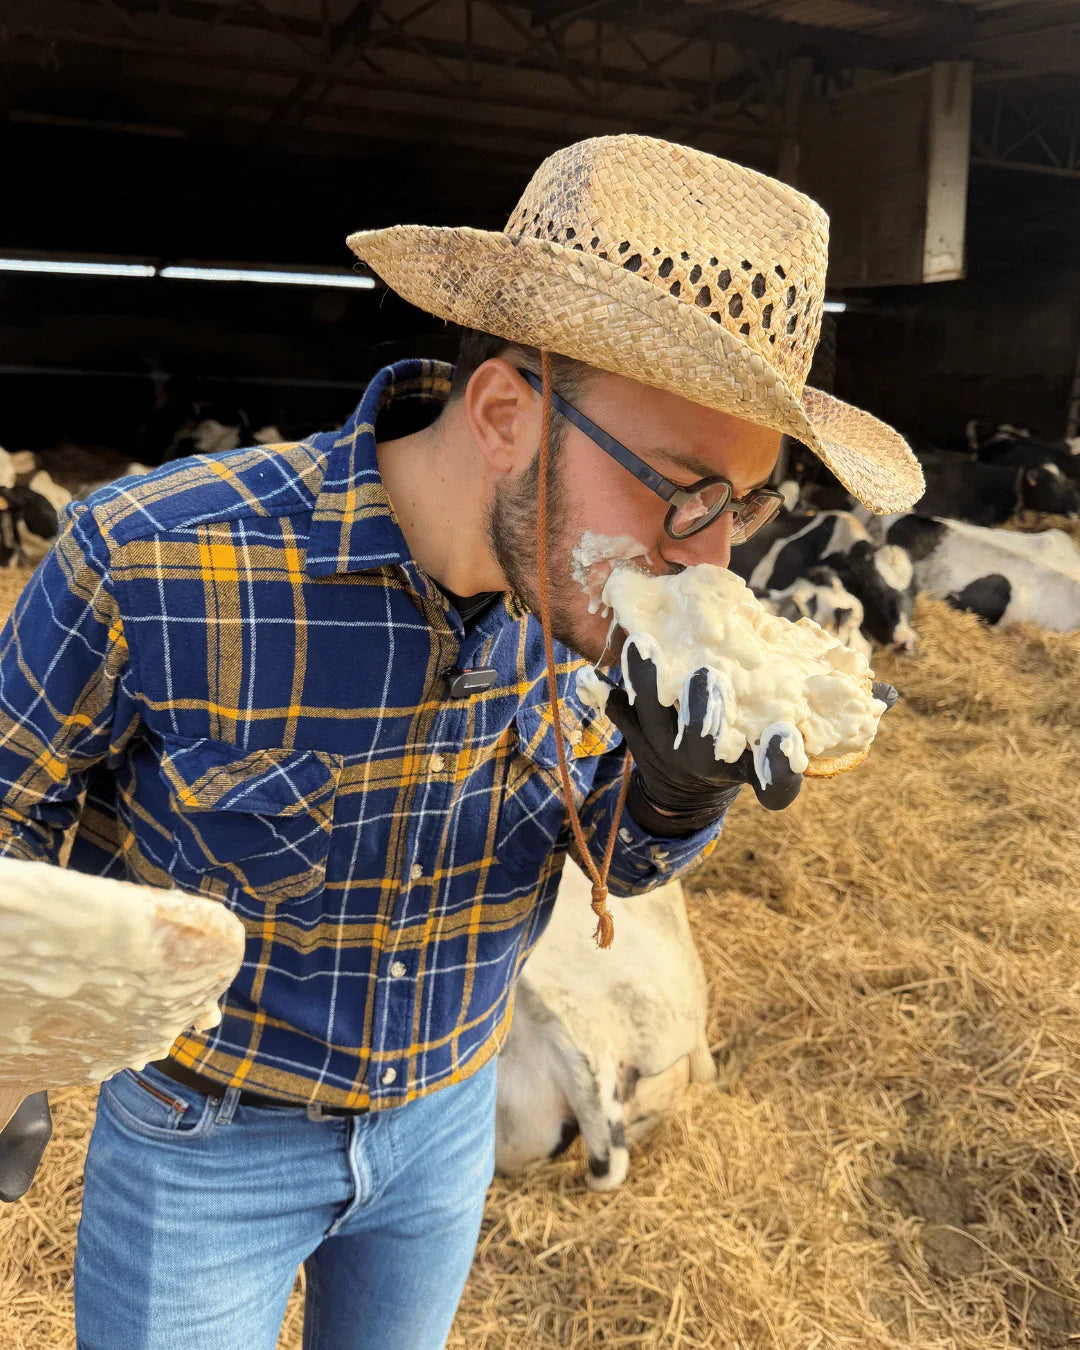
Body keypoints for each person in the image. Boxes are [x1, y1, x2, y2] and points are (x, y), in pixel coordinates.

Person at [0, 134, 921, 1348]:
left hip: (446, 1125)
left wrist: (672, 797)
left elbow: (616, 867)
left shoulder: (596, 620)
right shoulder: (153, 558)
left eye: (743, 505)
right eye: (684, 490)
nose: (712, 559)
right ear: (501, 412)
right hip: (203, 1142)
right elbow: (11, 814)